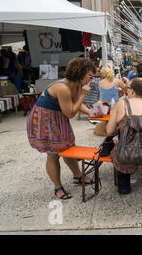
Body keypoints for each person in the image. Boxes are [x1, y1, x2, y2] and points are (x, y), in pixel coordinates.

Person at [27, 58, 97, 200]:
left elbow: (76, 105)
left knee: (68, 148)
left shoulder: (77, 85)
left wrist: (92, 113)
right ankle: (57, 187)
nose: (92, 79)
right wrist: (83, 95)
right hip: (45, 119)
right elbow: (71, 112)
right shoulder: (62, 88)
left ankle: (78, 176)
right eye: (90, 75)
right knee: (53, 154)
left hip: (59, 117)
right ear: (80, 73)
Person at [106, 76, 142, 195]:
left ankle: (124, 185)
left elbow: (109, 131)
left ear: (132, 90)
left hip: (125, 153)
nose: (126, 90)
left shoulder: (120, 104)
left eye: (127, 88)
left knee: (117, 144)